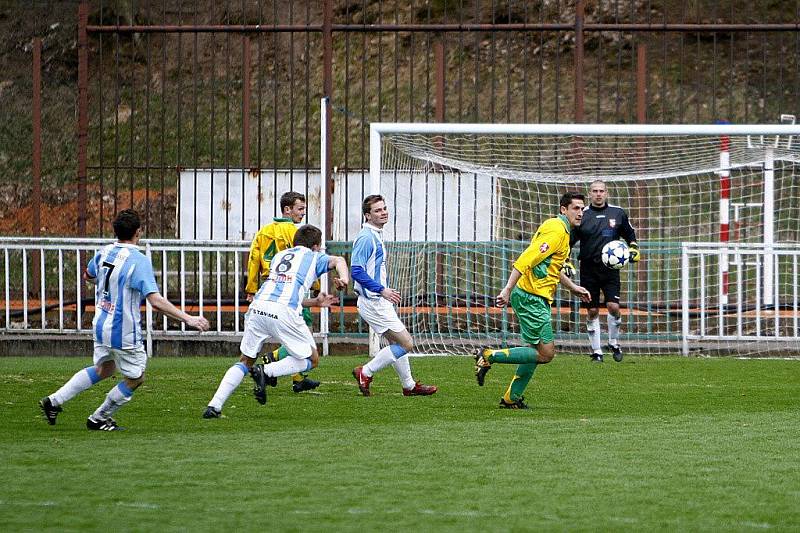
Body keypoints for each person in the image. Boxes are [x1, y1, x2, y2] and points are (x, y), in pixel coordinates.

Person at [39, 209, 210, 431]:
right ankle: (99, 418)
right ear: (138, 232)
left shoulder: (104, 252)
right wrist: (189, 319)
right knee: (136, 378)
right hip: (123, 330)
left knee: (104, 369)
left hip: (101, 324)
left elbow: (88, 276)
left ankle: (53, 401)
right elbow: (155, 301)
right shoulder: (138, 261)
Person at [203, 225, 348, 418]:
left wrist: (314, 302)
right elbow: (339, 260)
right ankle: (266, 371)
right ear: (316, 246)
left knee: (245, 361)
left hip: (258, 308)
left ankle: (214, 406)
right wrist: (344, 279)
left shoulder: (280, 257)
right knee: (311, 359)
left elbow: (281, 291)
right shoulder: (314, 256)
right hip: (284, 312)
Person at [473, 192, 591, 409]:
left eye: (582, 208)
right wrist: (507, 289)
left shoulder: (560, 231)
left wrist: (573, 288)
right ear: (563, 209)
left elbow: (551, 266)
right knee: (546, 354)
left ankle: (511, 398)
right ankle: (489, 355)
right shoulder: (557, 231)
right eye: (576, 208)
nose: (580, 212)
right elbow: (527, 258)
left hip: (533, 296)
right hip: (531, 298)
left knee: (534, 351)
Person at [350, 195, 437, 397]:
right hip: (374, 301)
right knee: (406, 344)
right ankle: (365, 371)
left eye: (384, 208)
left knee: (396, 344)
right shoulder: (366, 238)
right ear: (367, 215)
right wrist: (381, 289)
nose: (383, 212)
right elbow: (356, 270)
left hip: (377, 301)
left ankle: (409, 385)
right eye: (378, 210)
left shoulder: (376, 234)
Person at [245, 191, 320, 392]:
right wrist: (315, 287)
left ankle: (297, 378)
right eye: (300, 209)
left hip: (268, 287)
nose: (303, 213)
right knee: (305, 335)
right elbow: (303, 261)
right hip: (289, 288)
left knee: (296, 336)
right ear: (287, 209)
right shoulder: (294, 233)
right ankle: (275, 362)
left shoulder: (263, 231)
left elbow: (253, 258)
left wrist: (251, 289)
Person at [570, 180, 640, 363]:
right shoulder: (581, 215)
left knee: (613, 307)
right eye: (595, 191)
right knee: (592, 311)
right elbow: (568, 242)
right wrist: (565, 261)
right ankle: (597, 352)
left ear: (606, 193)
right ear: (590, 193)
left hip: (610, 270)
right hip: (588, 269)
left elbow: (630, 235)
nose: (598, 194)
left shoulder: (617, 213)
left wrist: (633, 248)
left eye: (601, 191)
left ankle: (614, 342)